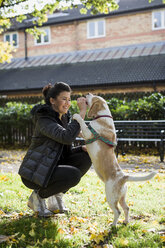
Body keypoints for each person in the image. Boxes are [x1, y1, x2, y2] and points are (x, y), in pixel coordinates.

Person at [18, 82, 91, 217]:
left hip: (52, 167)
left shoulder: (63, 118)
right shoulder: (44, 119)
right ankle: (37, 198)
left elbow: (66, 152)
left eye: (69, 99)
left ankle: (55, 197)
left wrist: (81, 149)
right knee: (73, 175)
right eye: (64, 99)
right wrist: (81, 113)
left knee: (86, 156)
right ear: (52, 100)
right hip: (36, 172)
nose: (67, 103)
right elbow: (66, 137)